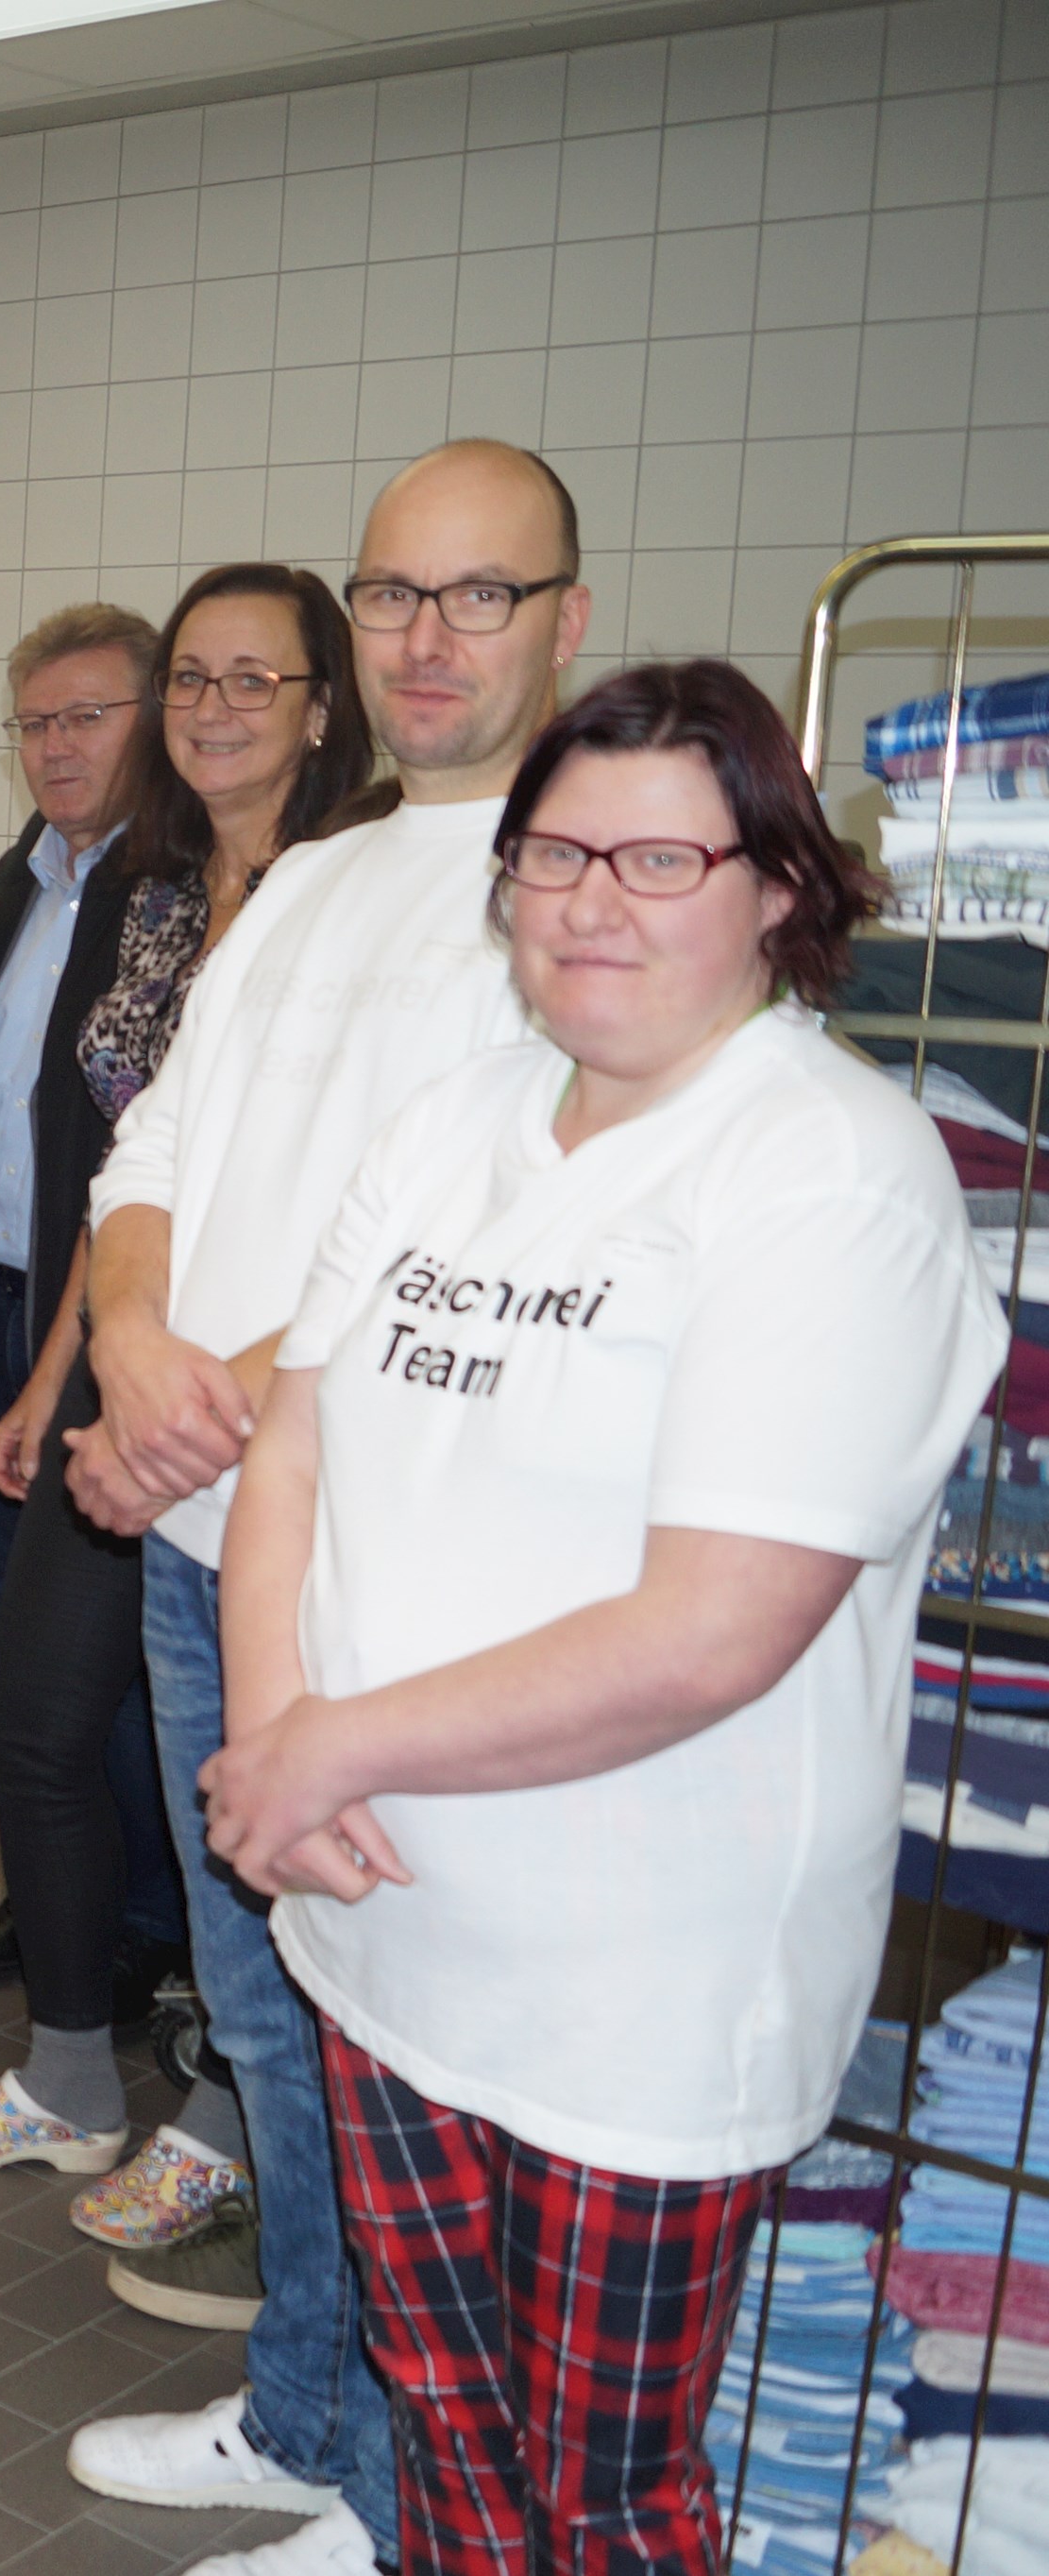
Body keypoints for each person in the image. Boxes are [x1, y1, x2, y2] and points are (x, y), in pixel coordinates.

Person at [208, 659, 1005, 2572]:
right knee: (450, 2437)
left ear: (775, 890)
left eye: (657, 855)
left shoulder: (828, 1176)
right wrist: (272, 1740)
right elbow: (291, 1452)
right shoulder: (452, 1119)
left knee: (605, 2488)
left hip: (639, 1991)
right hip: (379, 1929)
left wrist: (326, 1746)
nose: (587, 900)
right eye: (551, 852)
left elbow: (708, 1630)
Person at [61, 442, 590, 2576]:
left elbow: (479, 1231)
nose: (427, 638)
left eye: (478, 595)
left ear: (565, 610)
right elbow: (157, 1142)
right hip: (206, 1543)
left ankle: (402, 2493)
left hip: (387, 1563)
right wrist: (121, 1343)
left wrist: (221, 1410)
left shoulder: (579, 884)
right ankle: (305, 2411)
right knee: (268, 2014)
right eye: (393, 596)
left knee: (392, 2039)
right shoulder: (327, 875)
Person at [0, 568, 378, 2261]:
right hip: (130, 1387)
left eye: (262, 677)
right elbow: (129, 1161)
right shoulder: (166, 895)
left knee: (232, 1790)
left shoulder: (367, 891)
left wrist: (215, 1387)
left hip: (293, 1415)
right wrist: (55, 1377)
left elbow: (378, 1199)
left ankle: (240, 2121)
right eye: (198, 676)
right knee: (39, 1724)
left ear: (325, 704)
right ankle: (66, 2074)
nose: (219, 705)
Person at [0, 603, 166, 1996]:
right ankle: (53, 1882)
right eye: (37, 722)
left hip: (97, 1315)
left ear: (156, 719)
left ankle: (139, 1929)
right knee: (20, 1627)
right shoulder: (23, 880)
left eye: (89, 717)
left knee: (95, 1648)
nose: (57, 746)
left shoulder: (172, 896)